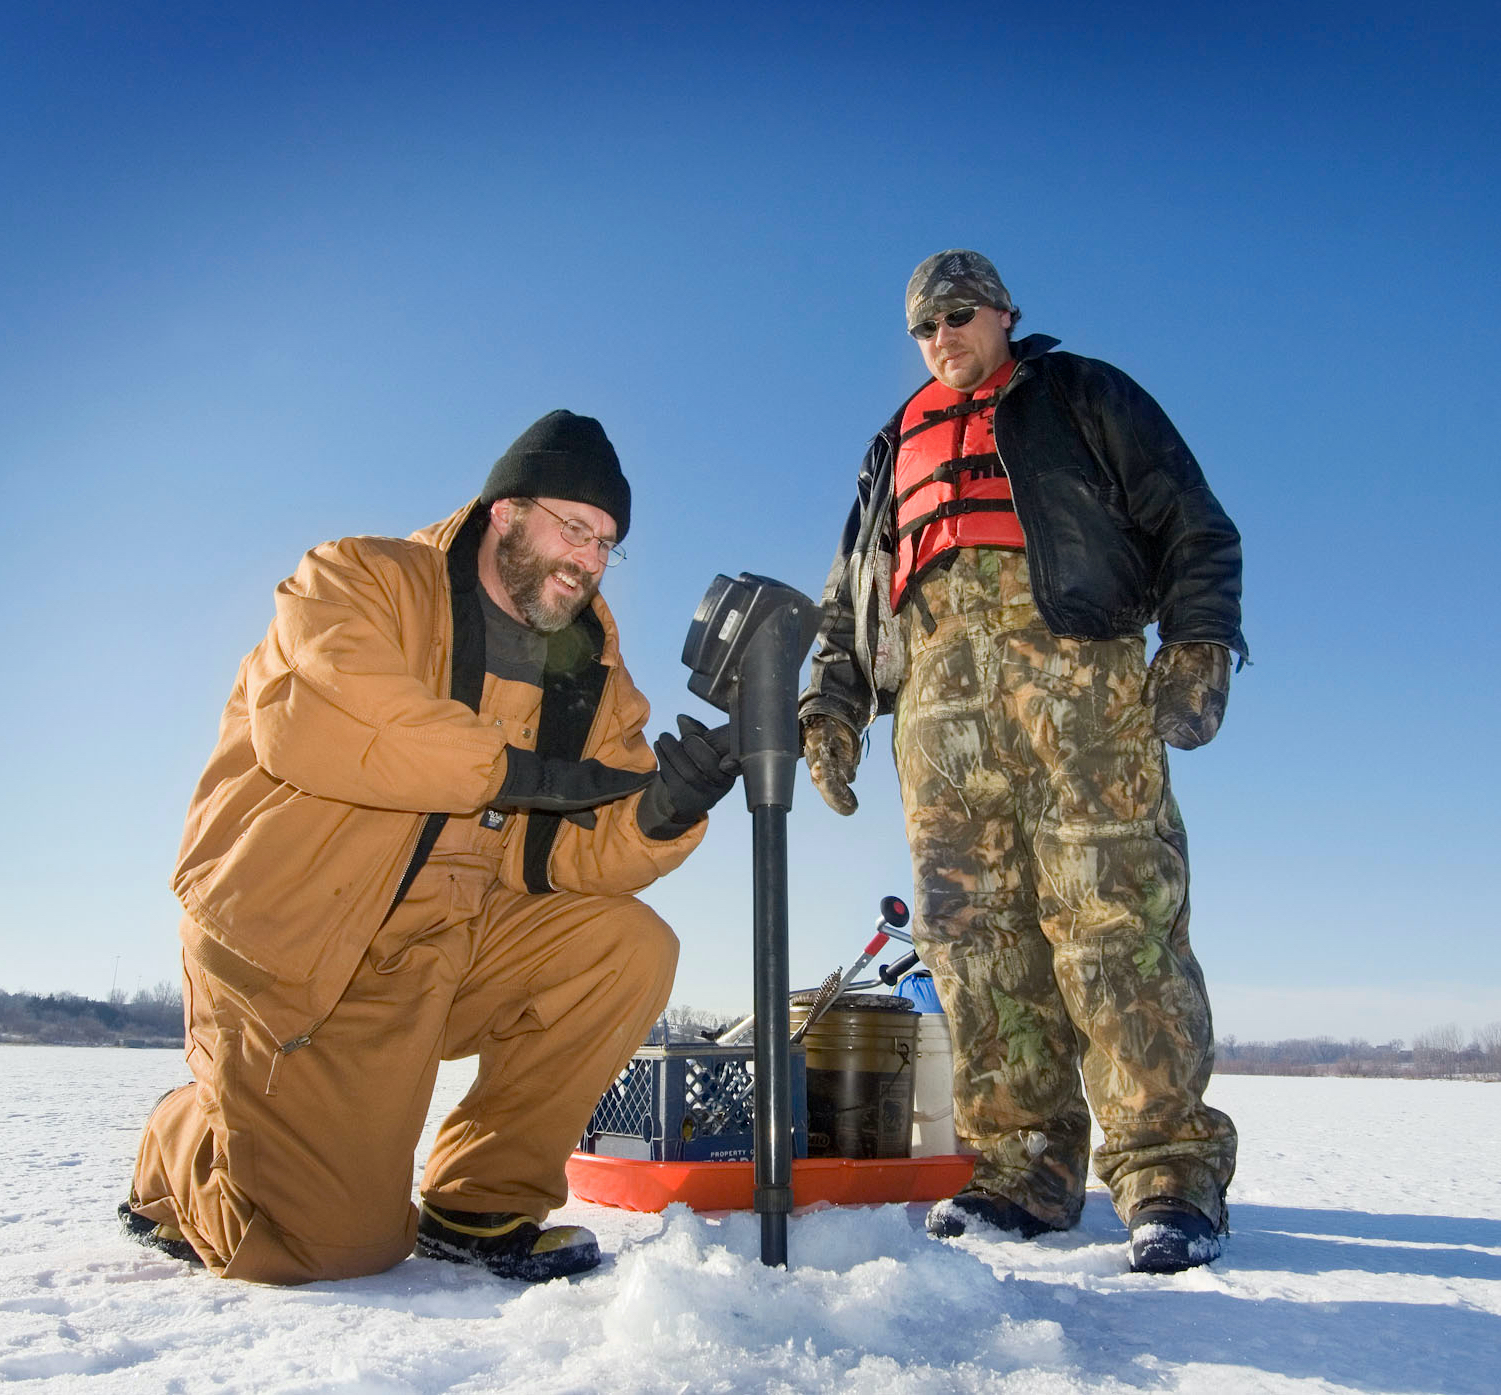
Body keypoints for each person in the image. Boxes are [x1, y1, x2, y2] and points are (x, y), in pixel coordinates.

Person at [120, 410, 738, 1284]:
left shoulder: (588, 667)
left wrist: (662, 812)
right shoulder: (357, 580)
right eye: (574, 526)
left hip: (440, 949)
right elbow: (337, 718)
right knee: (326, 1249)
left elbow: (564, 856)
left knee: (629, 945)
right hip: (303, 953)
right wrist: (516, 772)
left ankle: (481, 1203)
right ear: (505, 511)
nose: (589, 559)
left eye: (606, 544)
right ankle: (186, 1135)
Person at [799, 251, 1247, 1274]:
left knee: (1115, 919)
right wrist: (830, 706)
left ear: (1003, 314)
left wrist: (1198, 643)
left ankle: (1167, 1173)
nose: (943, 337)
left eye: (959, 316)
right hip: (938, 711)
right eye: (924, 327)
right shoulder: (891, 446)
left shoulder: (1080, 394)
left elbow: (1193, 521)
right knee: (973, 940)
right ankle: (1022, 1169)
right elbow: (849, 597)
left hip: (1076, 684)